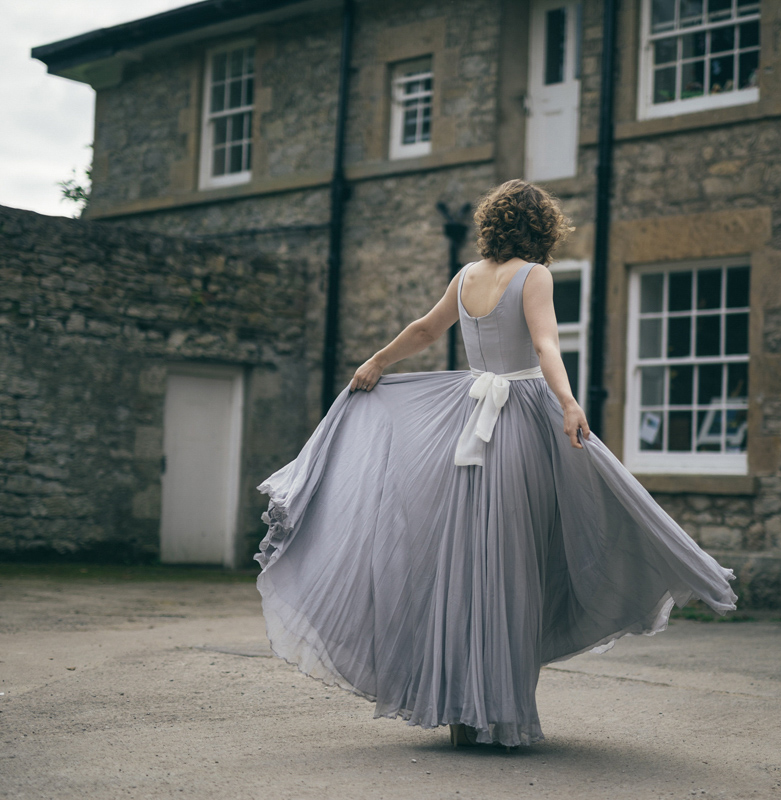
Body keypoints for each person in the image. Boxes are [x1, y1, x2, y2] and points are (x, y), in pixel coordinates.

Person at [255, 179, 737, 749]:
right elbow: (546, 345)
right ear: (543, 228)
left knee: (465, 566)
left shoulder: (466, 276)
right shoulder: (535, 275)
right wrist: (567, 401)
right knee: (516, 563)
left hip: (467, 427)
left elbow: (426, 331)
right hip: (518, 424)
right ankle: (498, 709)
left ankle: (463, 713)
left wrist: (376, 362)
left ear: (491, 223)